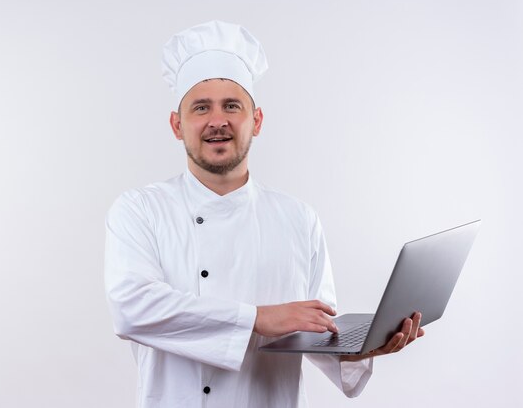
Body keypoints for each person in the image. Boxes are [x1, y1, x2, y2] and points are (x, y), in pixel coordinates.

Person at [105, 20, 424, 408]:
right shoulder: (140, 210)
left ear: (256, 121)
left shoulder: (298, 218)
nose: (217, 121)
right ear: (177, 125)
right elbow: (132, 309)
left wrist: (364, 347)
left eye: (232, 106)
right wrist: (256, 319)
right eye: (201, 107)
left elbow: (318, 331)